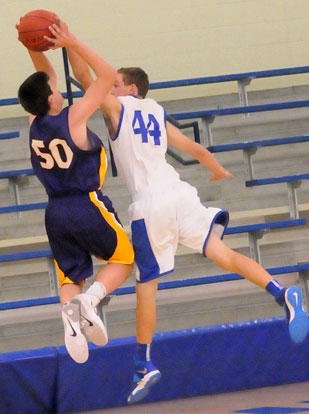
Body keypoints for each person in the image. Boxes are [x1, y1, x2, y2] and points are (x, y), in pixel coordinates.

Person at [67, 53, 309, 402]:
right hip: (181, 194)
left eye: (116, 83)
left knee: (146, 285)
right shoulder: (155, 111)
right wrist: (215, 167)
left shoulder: (119, 108)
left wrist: (71, 41)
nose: (111, 87)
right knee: (222, 253)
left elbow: (85, 77)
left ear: (131, 88)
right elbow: (192, 147)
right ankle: (280, 292)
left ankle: (142, 362)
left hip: (151, 206)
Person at [16, 17, 134, 364]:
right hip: (86, 203)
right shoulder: (75, 116)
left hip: (55, 212)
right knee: (124, 259)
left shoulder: (34, 122)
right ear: (52, 99)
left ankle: (70, 315)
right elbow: (108, 76)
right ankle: (91, 300)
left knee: (71, 275)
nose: (57, 89)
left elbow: (46, 79)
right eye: (54, 90)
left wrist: (32, 46)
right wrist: (71, 42)